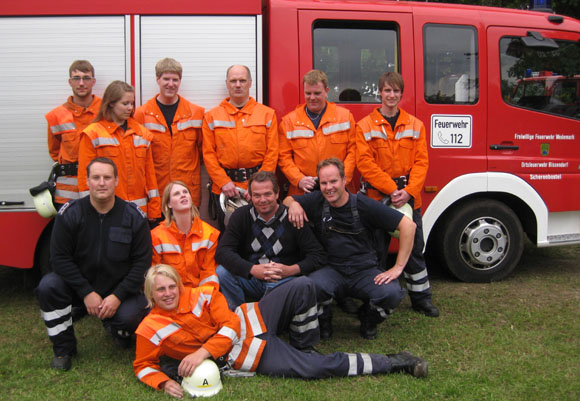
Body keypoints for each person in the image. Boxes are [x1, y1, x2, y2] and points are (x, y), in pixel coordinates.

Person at [133, 264, 428, 398]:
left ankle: (304, 344)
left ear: (179, 285)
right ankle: (393, 361)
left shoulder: (202, 294)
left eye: (172, 286)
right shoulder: (149, 328)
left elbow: (232, 324)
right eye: (161, 289)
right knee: (316, 369)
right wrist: (162, 383)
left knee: (302, 285)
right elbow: (143, 365)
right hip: (245, 355)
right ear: (151, 294)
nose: (169, 293)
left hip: (251, 319)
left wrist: (201, 352)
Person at [36, 157, 152, 371]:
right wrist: (85, 291)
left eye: (107, 177)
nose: (101, 183)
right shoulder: (70, 214)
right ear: (87, 181)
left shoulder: (133, 217)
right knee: (48, 286)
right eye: (96, 177)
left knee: (133, 315)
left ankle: (117, 329)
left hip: (118, 289)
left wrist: (118, 296)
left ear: (116, 181)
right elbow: (59, 259)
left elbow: (142, 263)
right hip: (79, 287)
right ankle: (64, 348)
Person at [284, 158, 416, 340]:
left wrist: (398, 267)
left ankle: (369, 318)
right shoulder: (317, 200)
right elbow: (287, 199)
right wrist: (294, 205)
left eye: (333, 181)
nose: (328, 187)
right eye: (323, 183)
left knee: (391, 294)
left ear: (344, 180)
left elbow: (408, 227)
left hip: (364, 270)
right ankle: (324, 319)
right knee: (309, 287)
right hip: (331, 269)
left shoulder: (363, 205)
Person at [356, 72, 439, 317]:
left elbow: (422, 163)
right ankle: (377, 298)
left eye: (396, 91)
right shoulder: (364, 126)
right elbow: (365, 163)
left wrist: (409, 192)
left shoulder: (415, 125)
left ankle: (421, 298)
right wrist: (392, 190)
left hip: (409, 199)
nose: (391, 95)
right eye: (387, 90)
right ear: (379, 93)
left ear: (401, 94)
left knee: (414, 250)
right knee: (376, 252)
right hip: (377, 199)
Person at [215, 171, 326, 309]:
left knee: (300, 285)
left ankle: (272, 312)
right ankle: (238, 313)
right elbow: (222, 251)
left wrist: (290, 270)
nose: (262, 200)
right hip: (251, 278)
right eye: (256, 195)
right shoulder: (241, 216)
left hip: (283, 281)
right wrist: (252, 269)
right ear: (250, 195)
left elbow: (318, 255)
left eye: (267, 194)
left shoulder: (292, 217)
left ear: (277, 193)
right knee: (222, 272)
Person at [202, 65, 279, 230]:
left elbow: (272, 153)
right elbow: (208, 154)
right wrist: (224, 182)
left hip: (258, 190)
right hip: (225, 190)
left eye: (242, 80)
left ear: (250, 83)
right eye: (233, 81)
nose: (238, 85)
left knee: (261, 234)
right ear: (227, 84)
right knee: (230, 237)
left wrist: (258, 186)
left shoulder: (267, 114)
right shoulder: (211, 116)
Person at [78, 80, 161, 220]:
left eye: (132, 104)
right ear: (111, 103)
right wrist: (89, 213)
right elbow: (84, 179)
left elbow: (150, 177)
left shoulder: (142, 134)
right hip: (105, 213)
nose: (130, 108)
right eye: (125, 103)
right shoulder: (92, 134)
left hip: (138, 213)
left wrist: (154, 210)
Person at [134, 58, 204, 206]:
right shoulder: (141, 114)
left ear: (180, 81)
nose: (170, 84)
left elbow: (203, 150)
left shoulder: (196, 113)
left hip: (188, 191)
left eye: (175, 79)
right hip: (157, 192)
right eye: (166, 79)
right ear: (157, 79)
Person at [278, 69, 356, 196]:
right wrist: (299, 179)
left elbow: (354, 151)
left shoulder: (345, 117)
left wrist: (342, 178)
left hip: (339, 190)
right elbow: (283, 157)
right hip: (304, 191)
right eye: (308, 93)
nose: (312, 98)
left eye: (317, 93)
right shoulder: (289, 122)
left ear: (327, 91)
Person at [45, 60, 101, 206]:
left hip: (100, 189)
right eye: (76, 78)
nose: (81, 83)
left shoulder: (106, 111)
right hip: (67, 194)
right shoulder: (56, 116)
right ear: (70, 82)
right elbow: (55, 152)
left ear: (93, 82)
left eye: (86, 78)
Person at [151, 181, 220, 289]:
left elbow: (209, 274)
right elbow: (154, 276)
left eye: (185, 192)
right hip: (171, 296)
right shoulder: (156, 236)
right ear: (168, 204)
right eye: (176, 194)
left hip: (201, 295)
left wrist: (201, 299)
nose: (183, 195)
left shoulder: (209, 234)